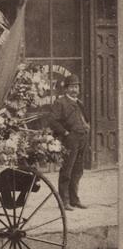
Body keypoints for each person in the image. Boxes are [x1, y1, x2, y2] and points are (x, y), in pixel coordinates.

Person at [49, 74, 90, 210]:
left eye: (76, 87)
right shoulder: (60, 103)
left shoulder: (79, 103)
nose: (74, 89)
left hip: (82, 138)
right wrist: (65, 133)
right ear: (66, 89)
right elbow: (53, 121)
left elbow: (86, 118)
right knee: (67, 170)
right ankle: (64, 201)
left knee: (78, 170)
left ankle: (74, 199)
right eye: (72, 87)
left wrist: (86, 128)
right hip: (70, 140)